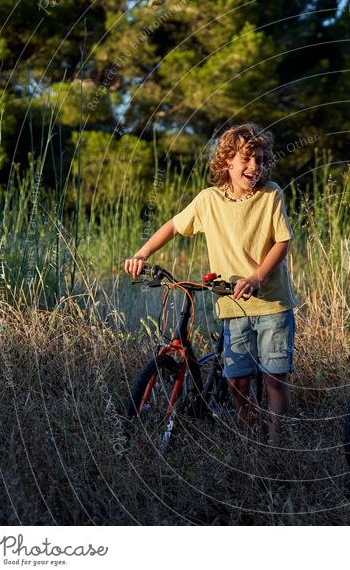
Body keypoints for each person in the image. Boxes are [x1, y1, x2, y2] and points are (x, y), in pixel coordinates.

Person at [124, 123, 297, 444]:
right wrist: (142, 253)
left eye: (259, 160)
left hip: (271, 301)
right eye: (246, 159)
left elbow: (282, 243)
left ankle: (275, 444)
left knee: (275, 377)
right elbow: (174, 226)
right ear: (227, 162)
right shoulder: (209, 201)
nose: (254, 167)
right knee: (238, 382)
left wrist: (257, 277)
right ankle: (250, 437)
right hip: (231, 305)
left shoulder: (271, 194)